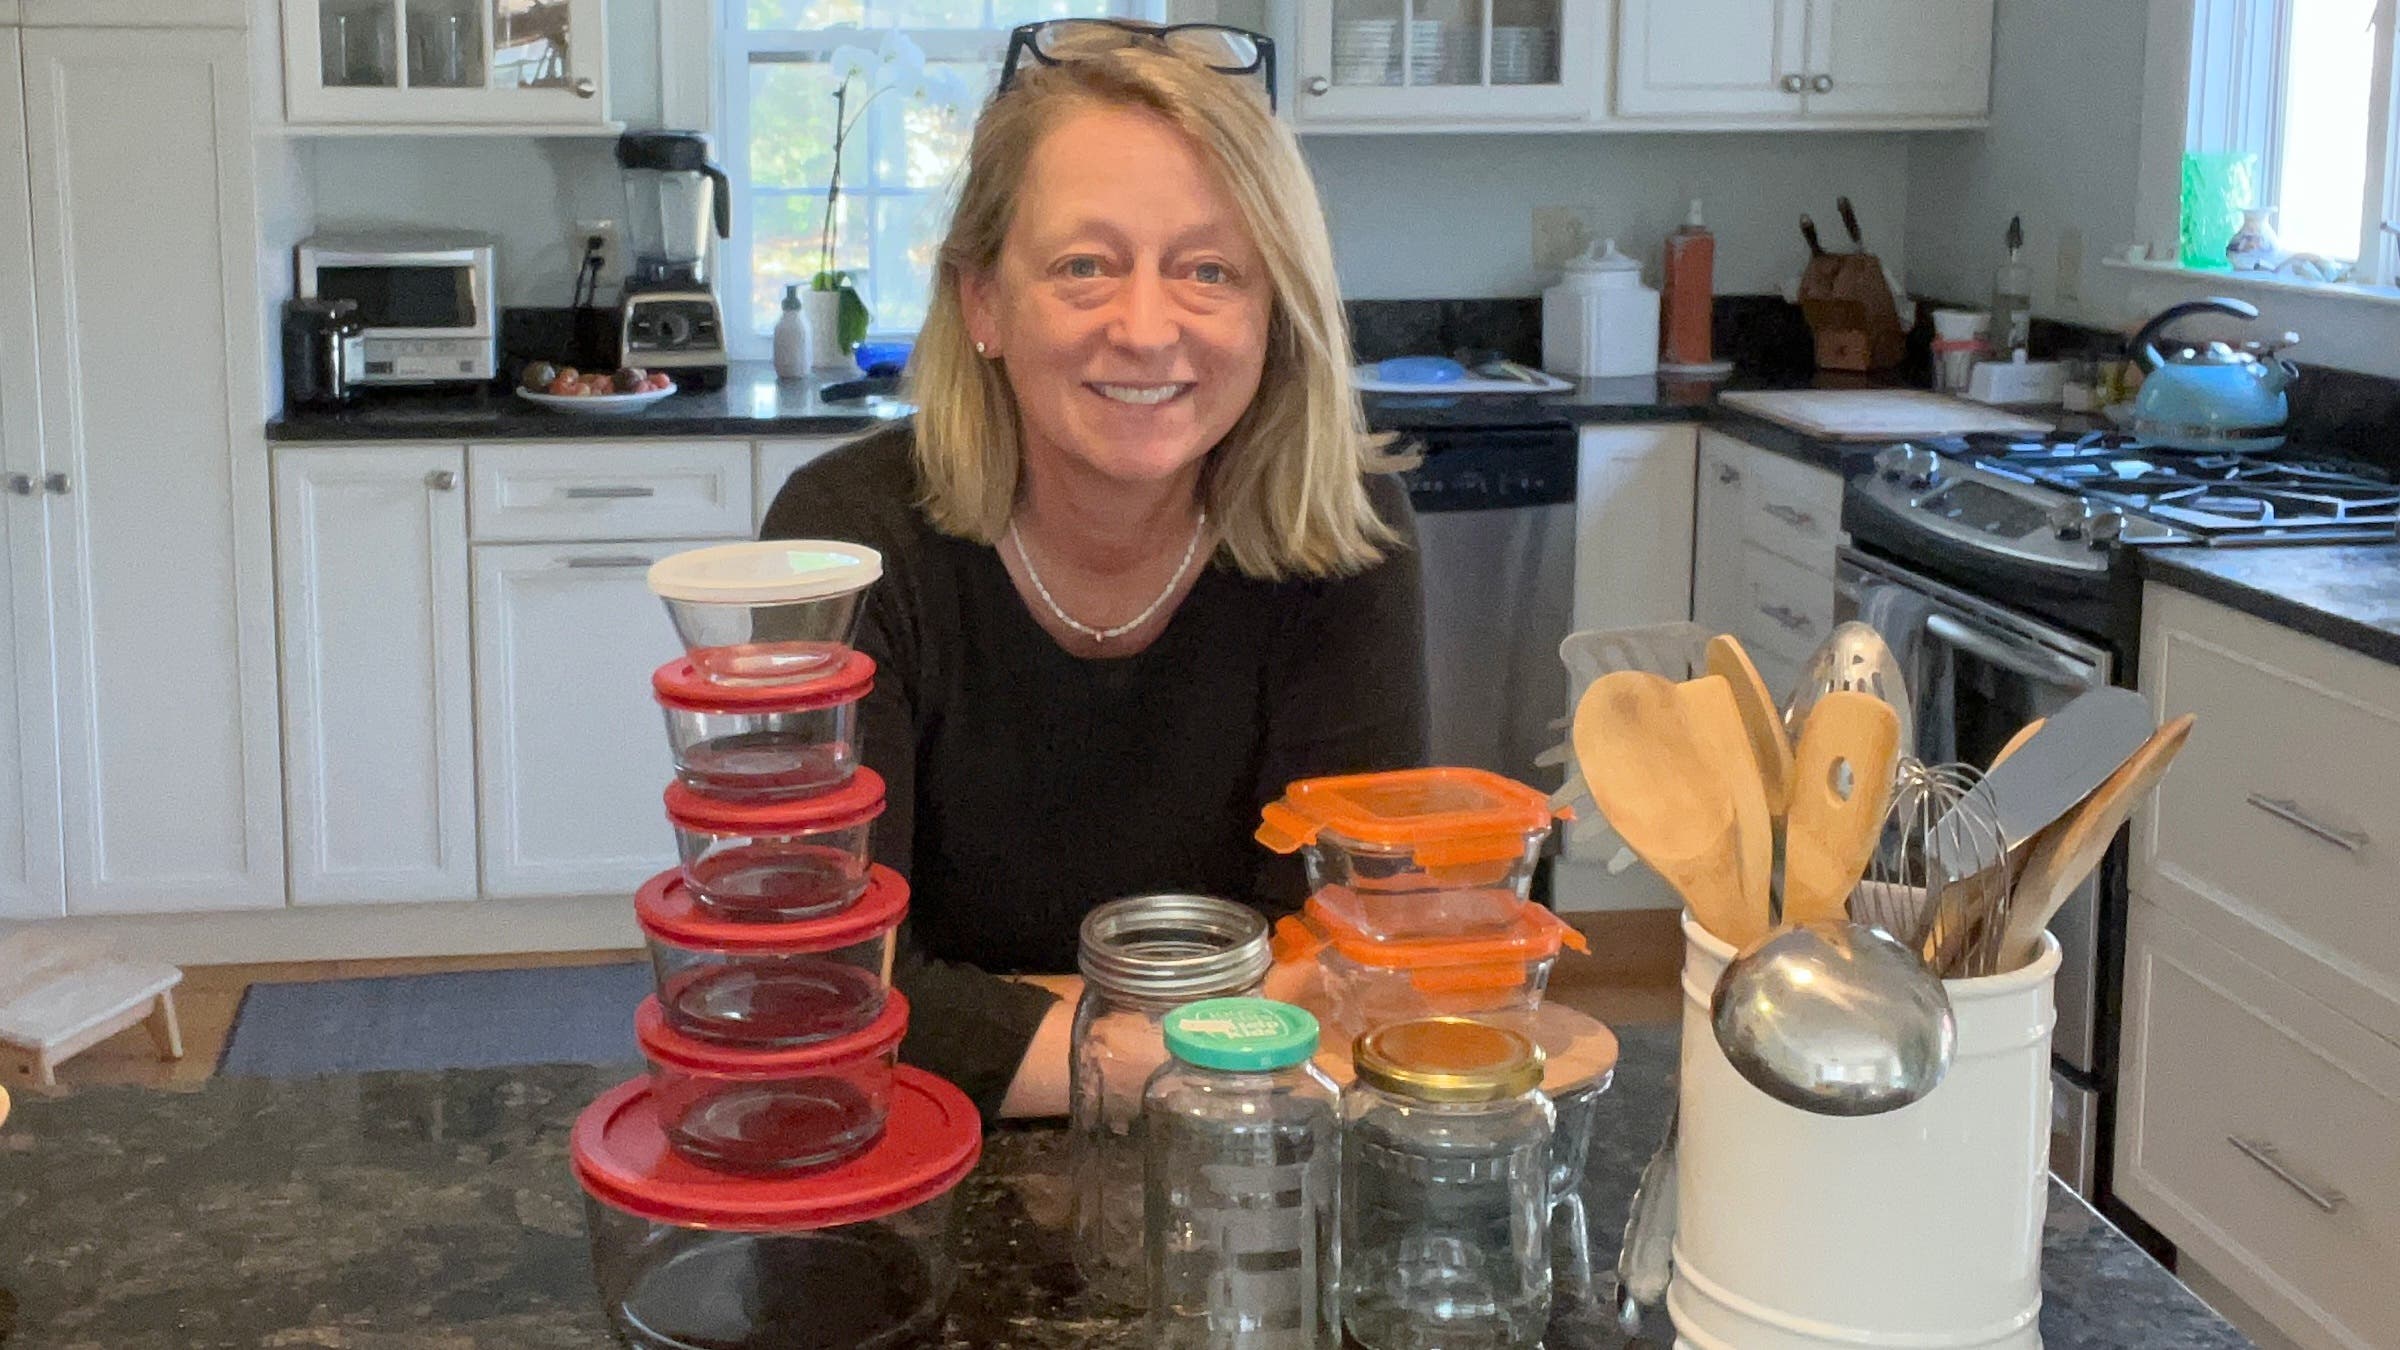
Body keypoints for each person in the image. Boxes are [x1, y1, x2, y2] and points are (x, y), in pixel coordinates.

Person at [760, 19, 1427, 1120]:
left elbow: (1347, 969)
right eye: (1086, 265)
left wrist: (976, 1021)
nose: (1148, 325)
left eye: (1210, 270)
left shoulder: (1349, 538)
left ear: (1276, 310)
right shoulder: (846, 540)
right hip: (908, 1161)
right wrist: (1184, 1046)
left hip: (1244, 1171)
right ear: (982, 301)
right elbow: (827, 988)